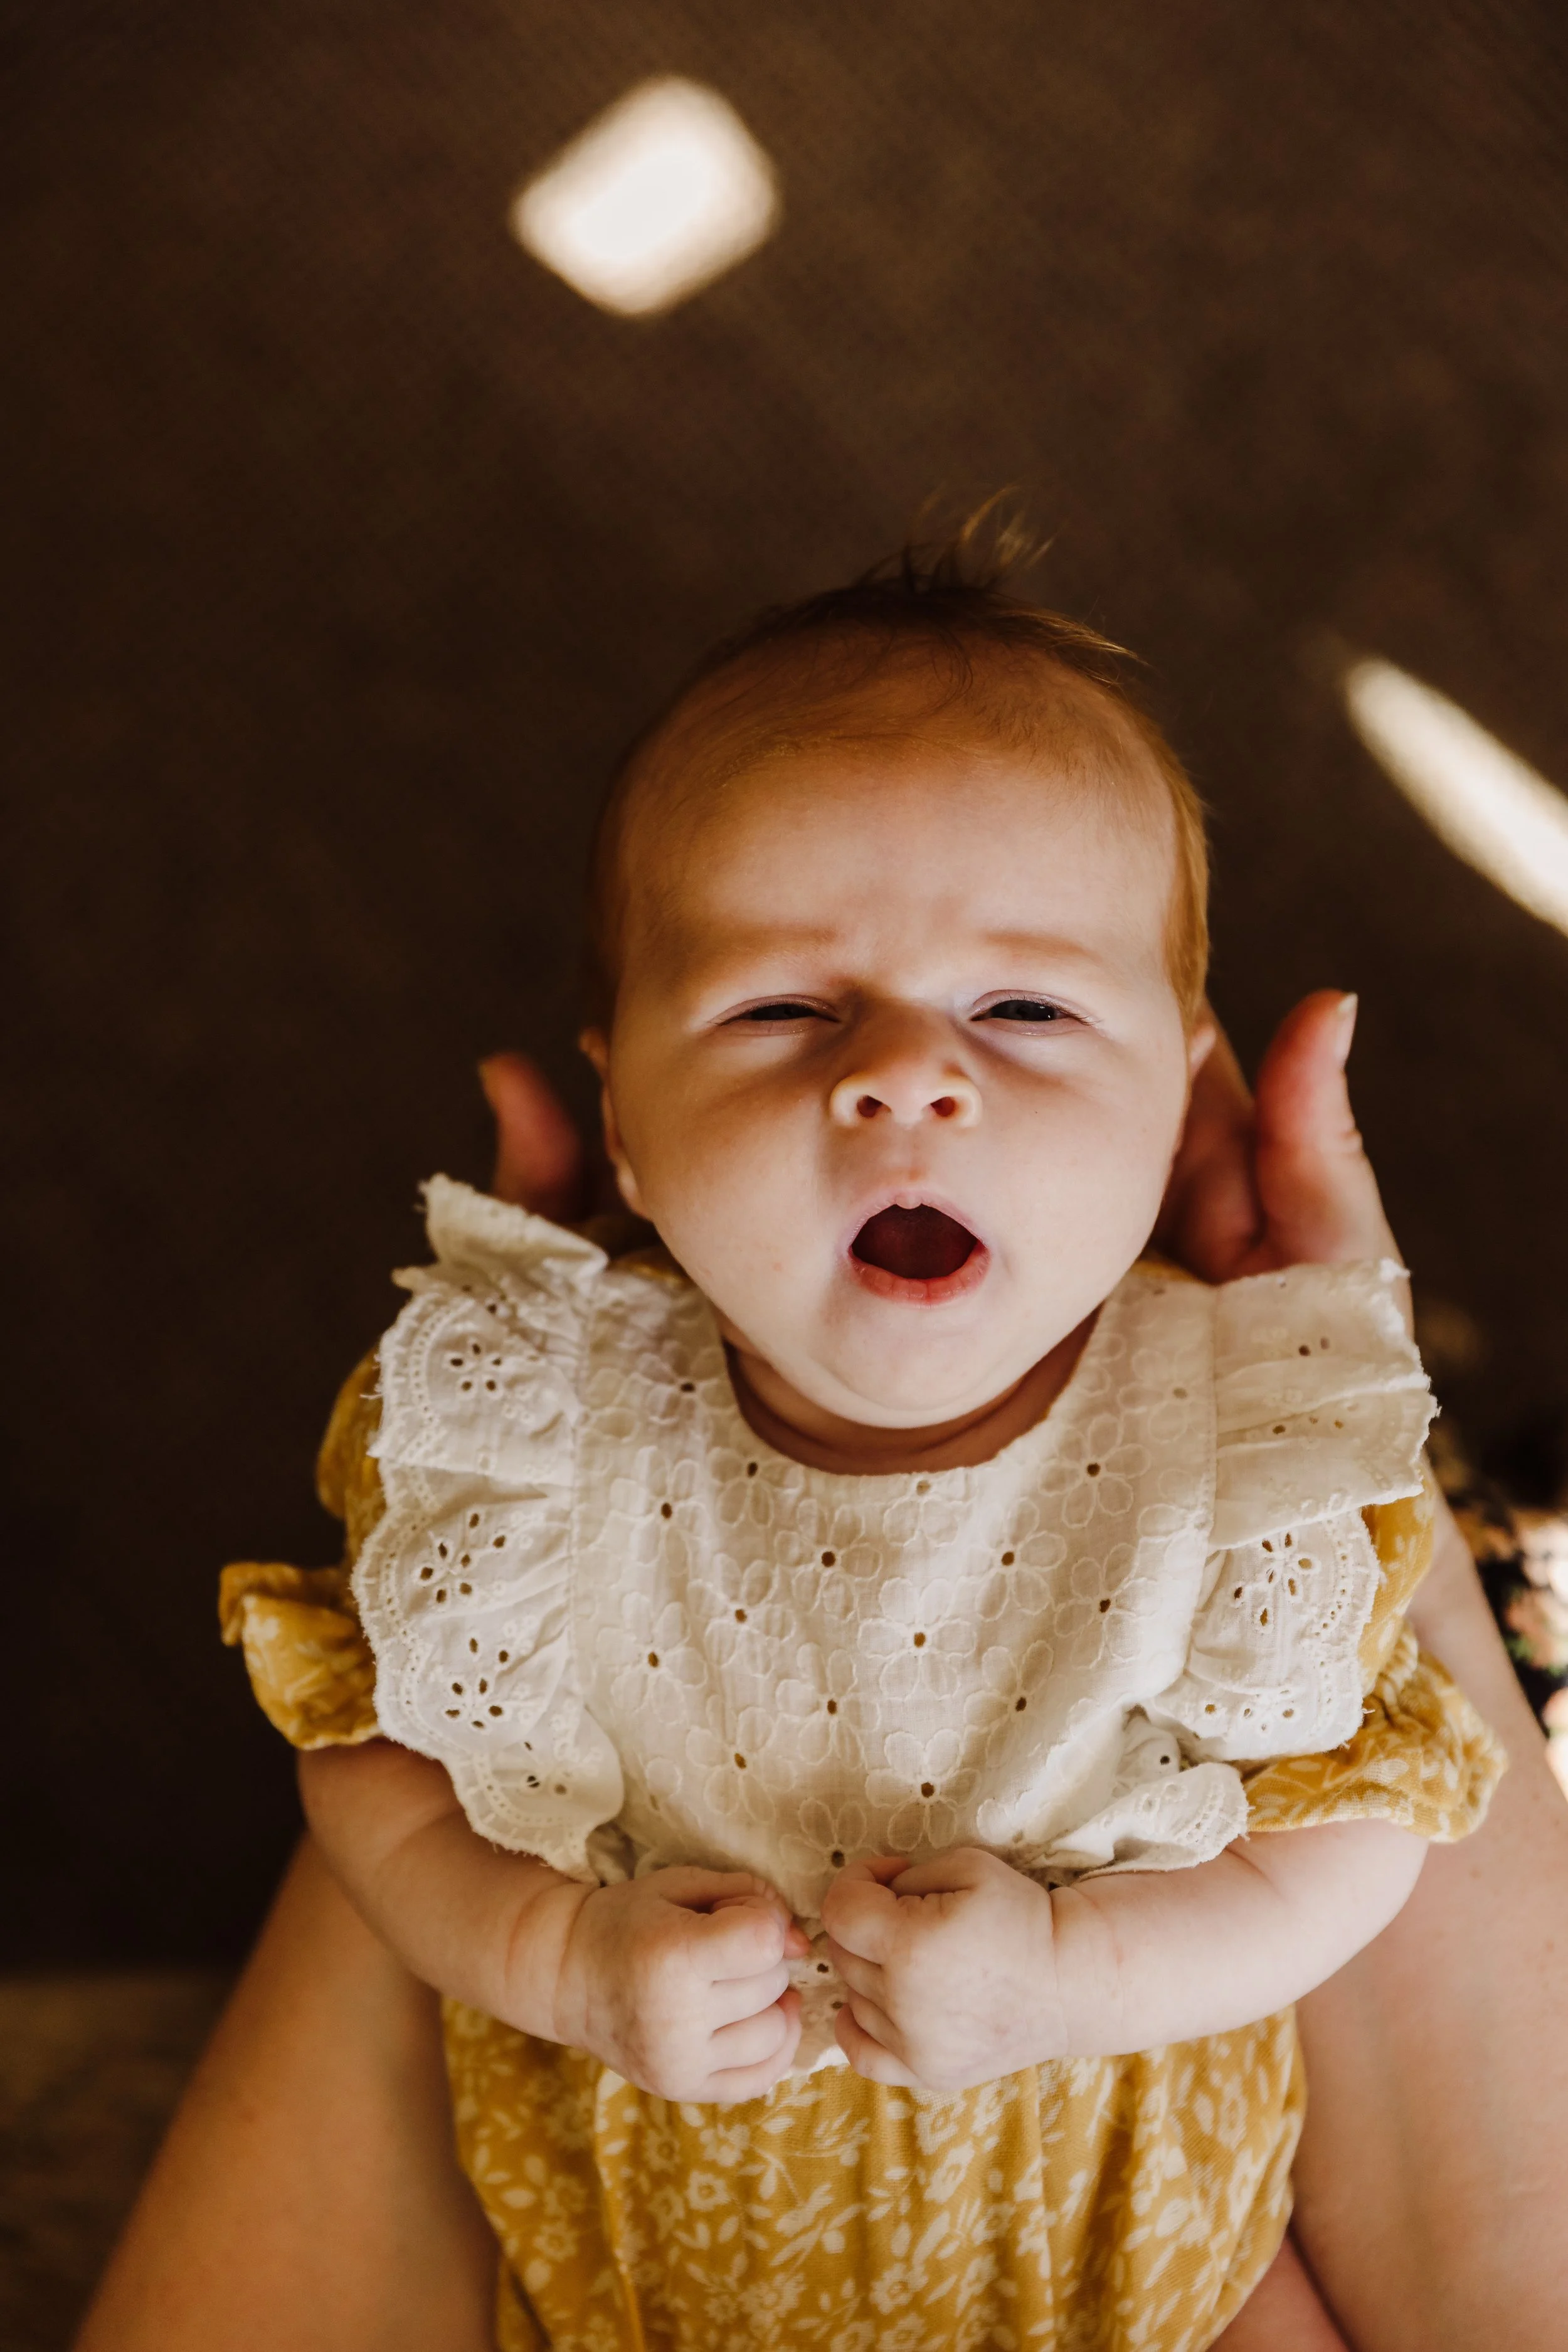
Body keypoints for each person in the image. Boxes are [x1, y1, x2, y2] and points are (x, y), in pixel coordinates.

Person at [77, 548, 1568, 2352]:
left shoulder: (1238, 1450)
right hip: (629, 2280)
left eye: (1023, 1010)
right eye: (781, 1008)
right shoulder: (528, 1428)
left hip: (1145, 2276)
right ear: (625, 1125)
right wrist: (555, 1957)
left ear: (1182, 1101)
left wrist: (1075, 1978)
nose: (907, 1076)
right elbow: (372, 1765)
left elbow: (1358, 1827)